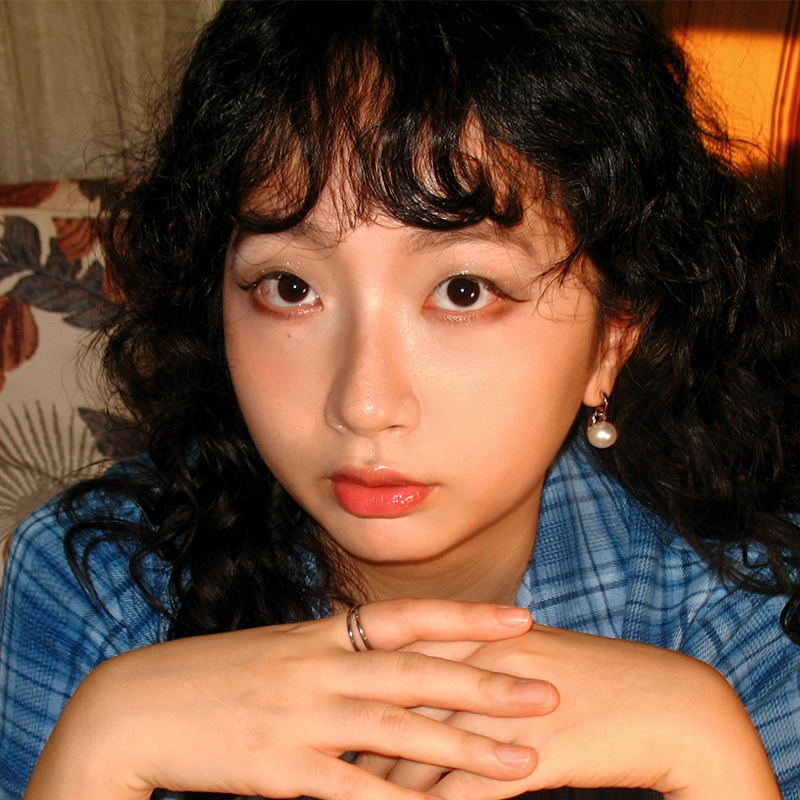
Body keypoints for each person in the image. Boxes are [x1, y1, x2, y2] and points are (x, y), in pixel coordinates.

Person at [1, 1, 799, 798]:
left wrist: (711, 752)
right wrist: (102, 744)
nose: (365, 404)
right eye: (290, 287)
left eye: (463, 290)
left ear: (612, 340)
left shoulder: (745, 615)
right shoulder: (98, 590)